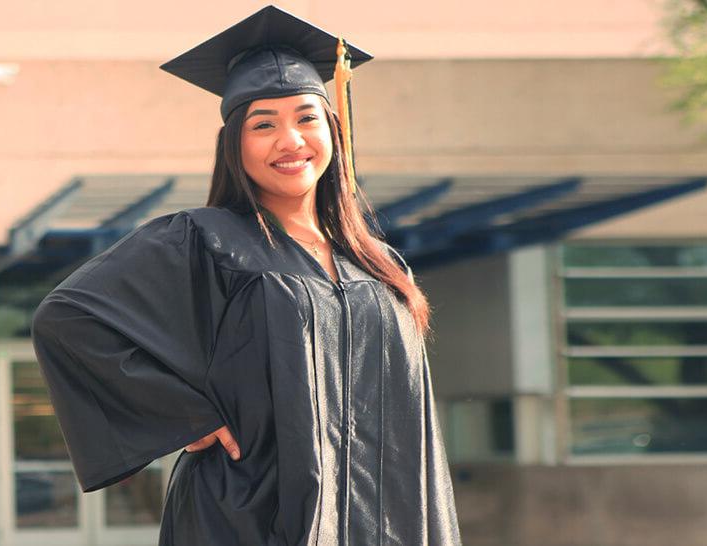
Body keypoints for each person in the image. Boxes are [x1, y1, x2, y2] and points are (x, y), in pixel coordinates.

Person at [30, 5, 462, 545]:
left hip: (382, 520)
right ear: (234, 142)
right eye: (264, 124)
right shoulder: (205, 240)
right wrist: (184, 415)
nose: (291, 140)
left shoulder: (378, 264)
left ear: (333, 129)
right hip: (246, 519)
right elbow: (68, 318)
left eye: (306, 118)